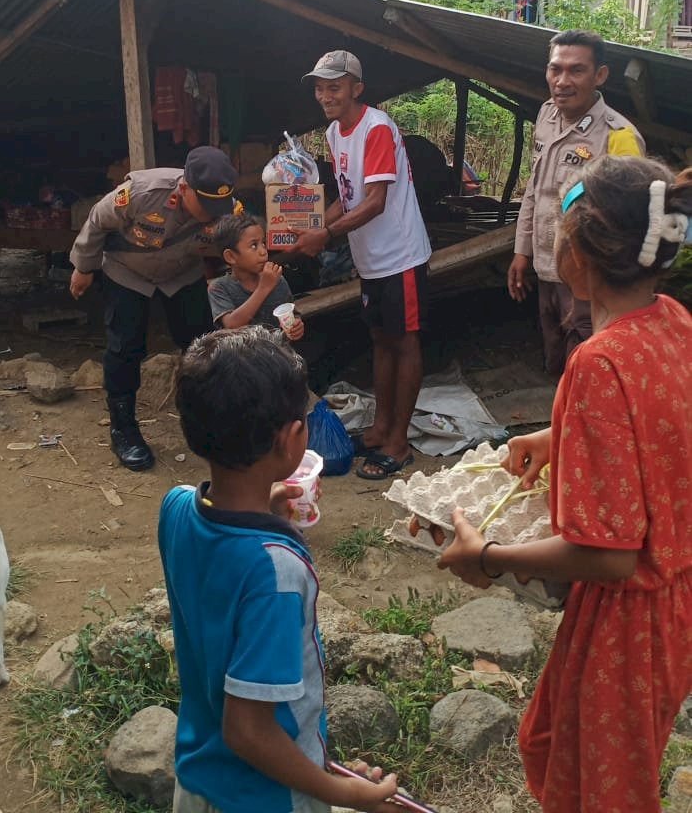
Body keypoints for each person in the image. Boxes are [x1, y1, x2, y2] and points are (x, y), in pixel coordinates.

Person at [440, 154, 692, 813]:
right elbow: (665, 422)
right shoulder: (670, 321)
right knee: (576, 754)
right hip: (673, 604)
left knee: (600, 794)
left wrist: (486, 558)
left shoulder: (597, 362)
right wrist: (561, 439)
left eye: (557, 225)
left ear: (578, 252)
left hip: (624, 622)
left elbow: (607, 555)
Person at [158, 326, 399, 813]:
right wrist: (340, 790)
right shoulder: (278, 572)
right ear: (291, 442)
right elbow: (247, 729)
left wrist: (263, 509)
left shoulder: (175, 508)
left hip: (198, 780)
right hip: (266, 799)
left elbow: (217, 546)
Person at [293, 50, 431, 480]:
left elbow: (375, 201)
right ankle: (380, 429)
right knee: (380, 340)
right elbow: (346, 196)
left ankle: (399, 442)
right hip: (371, 258)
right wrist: (312, 227)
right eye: (319, 87)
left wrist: (326, 235)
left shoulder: (376, 128)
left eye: (334, 86)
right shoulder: (335, 133)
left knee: (404, 343)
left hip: (401, 255)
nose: (325, 95)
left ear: (357, 88)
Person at [69, 146, 240, 472]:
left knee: (200, 343)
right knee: (125, 346)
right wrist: (84, 268)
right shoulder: (142, 193)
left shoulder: (225, 208)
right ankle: (124, 429)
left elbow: (240, 236)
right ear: (185, 188)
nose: (211, 212)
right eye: (204, 204)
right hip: (128, 271)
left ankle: (204, 419)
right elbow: (96, 221)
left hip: (181, 273)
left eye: (216, 205)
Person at [508, 29, 644, 377]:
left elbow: (630, 226)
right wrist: (522, 252)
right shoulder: (546, 116)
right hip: (547, 271)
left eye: (576, 70)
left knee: (587, 374)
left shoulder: (618, 136)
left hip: (590, 284)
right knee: (555, 365)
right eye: (556, 69)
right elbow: (535, 189)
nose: (562, 81)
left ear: (600, 75)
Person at [208, 214, 305, 342]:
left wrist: (296, 326)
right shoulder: (219, 288)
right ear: (230, 256)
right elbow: (232, 325)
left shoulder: (277, 280)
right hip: (245, 360)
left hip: (279, 355)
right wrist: (264, 288)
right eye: (254, 246)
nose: (263, 251)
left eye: (263, 243)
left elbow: (290, 314)